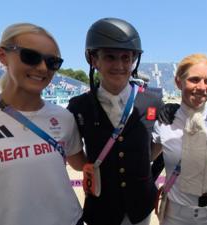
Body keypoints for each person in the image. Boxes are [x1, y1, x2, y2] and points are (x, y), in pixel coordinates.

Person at [0, 23, 86, 225]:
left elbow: (81, 164)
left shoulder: (64, 117)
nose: (42, 68)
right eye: (30, 56)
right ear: (3, 56)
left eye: (52, 62)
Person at [67, 17, 163, 225]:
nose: (119, 65)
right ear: (94, 60)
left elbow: (157, 147)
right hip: (101, 206)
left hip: (140, 206)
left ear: (133, 61)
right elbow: (76, 161)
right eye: (110, 57)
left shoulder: (154, 100)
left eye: (126, 58)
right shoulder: (78, 107)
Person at [152, 53, 207, 225]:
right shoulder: (162, 122)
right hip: (174, 217)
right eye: (194, 79)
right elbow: (145, 159)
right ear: (178, 82)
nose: (202, 87)